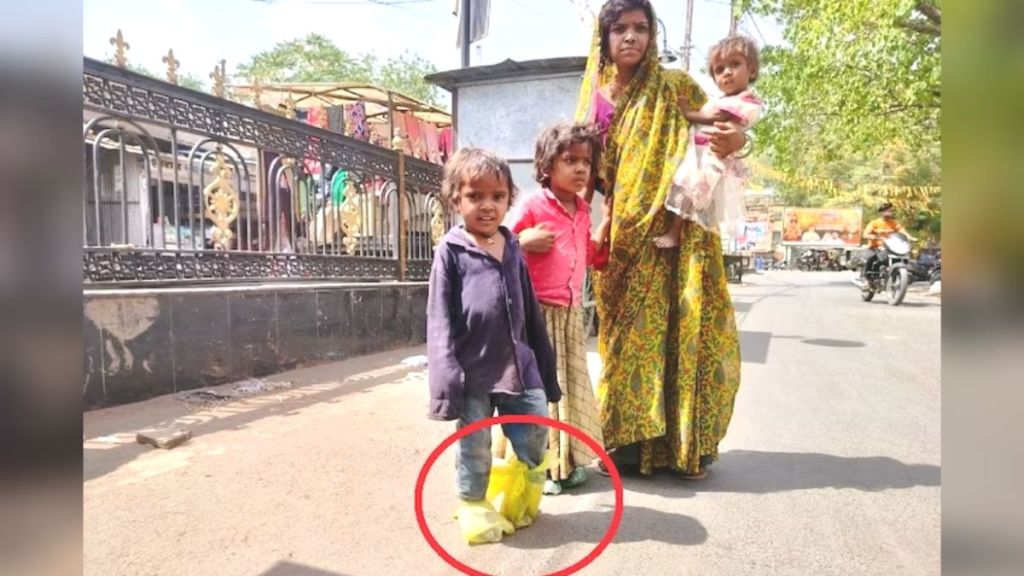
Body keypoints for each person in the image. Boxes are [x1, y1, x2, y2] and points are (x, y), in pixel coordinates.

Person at [519, 0, 747, 480]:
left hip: (684, 235)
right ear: (603, 38)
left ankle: (687, 446)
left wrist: (737, 142)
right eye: (619, 28)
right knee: (627, 341)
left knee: (688, 331)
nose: (630, 37)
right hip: (624, 238)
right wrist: (594, 225)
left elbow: (725, 127)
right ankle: (625, 446)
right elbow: (593, 176)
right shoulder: (597, 101)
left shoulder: (676, 86)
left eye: (640, 28)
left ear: (652, 36)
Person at [426, 148, 562, 542]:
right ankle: (474, 507)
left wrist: (546, 370)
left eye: (497, 197)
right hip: (473, 371)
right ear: (456, 199)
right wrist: (445, 378)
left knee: (535, 430)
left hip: (520, 365)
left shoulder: (512, 246)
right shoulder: (451, 251)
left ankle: (523, 493)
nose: (487, 206)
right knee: (475, 447)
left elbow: (530, 311)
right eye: (475, 196)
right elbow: (439, 319)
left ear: (508, 199)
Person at [498, 123, 608, 496]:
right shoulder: (532, 204)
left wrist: (605, 225)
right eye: (570, 160)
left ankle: (565, 463)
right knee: (537, 391)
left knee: (567, 390)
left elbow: (587, 255)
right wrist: (522, 241)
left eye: (587, 162)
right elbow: (497, 247)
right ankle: (537, 467)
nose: (580, 169)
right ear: (547, 164)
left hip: (570, 315)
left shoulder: (581, 210)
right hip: (537, 317)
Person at [655, 35, 764, 249]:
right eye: (720, 69)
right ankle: (677, 232)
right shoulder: (721, 100)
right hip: (702, 153)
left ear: (751, 70)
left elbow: (717, 118)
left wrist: (688, 113)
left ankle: (675, 233)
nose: (727, 73)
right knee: (690, 189)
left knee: (691, 189)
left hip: (710, 156)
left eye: (735, 64)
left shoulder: (744, 101)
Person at [854, 201, 915, 287]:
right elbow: (865, 234)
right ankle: (867, 279)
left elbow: (902, 231)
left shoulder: (894, 223)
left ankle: (893, 275)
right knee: (870, 259)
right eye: (889, 211)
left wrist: (910, 237)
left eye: (891, 211)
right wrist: (874, 237)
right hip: (875, 247)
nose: (891, 213)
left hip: (889, 248)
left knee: (902, 258)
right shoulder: (874, 223)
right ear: (882, 212)